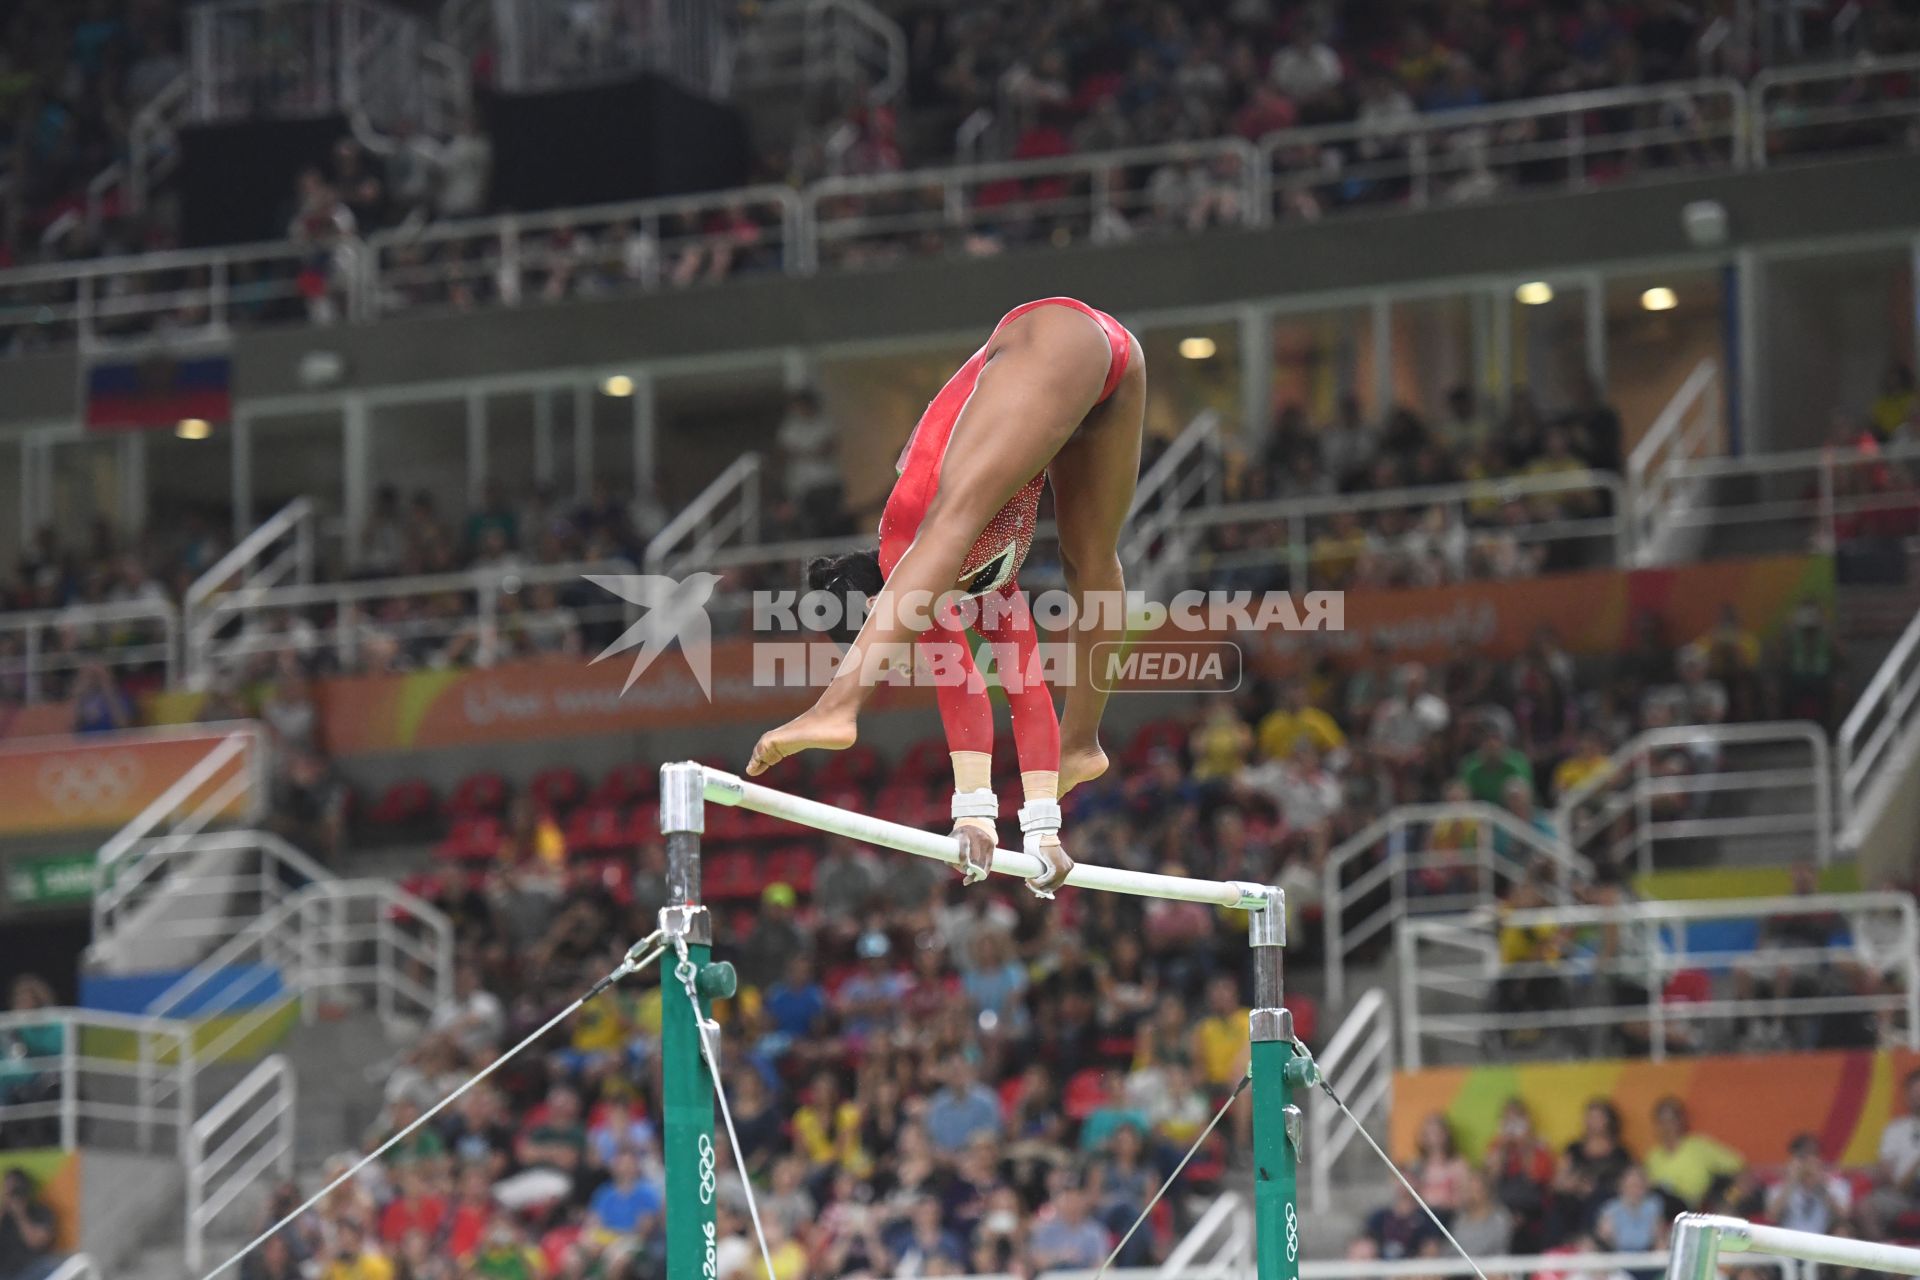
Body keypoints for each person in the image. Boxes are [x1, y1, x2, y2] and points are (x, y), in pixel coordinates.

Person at [749, 298, 1148, 898]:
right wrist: (1033, 827)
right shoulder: (983, 582)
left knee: (952, 524)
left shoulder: (906, 555)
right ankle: (1080, 743)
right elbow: (1022, 687)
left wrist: (971, 809)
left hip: (1052, 334)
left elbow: (958, 686)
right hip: (1112, 357)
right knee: (1090, 561)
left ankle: (836, 705)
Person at [1644, 1097, 1743, 1209]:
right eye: (1662, 1121)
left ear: (1681, 1120)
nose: (1667, 1126)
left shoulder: (1699, 1146)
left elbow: (1741, 1170)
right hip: (1665, 1213)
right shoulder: (1653, 1156)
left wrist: (1729, 1201)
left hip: (1695, 1209)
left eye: (1671, 1119)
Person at [1862, 1068, 1920, 1237]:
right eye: (1915, 1093)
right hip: (1902, 1195)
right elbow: (1887, 1170)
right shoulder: (1895, 1129)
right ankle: (1884, 1258)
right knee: (1866, 1207)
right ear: (1907, 1096)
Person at [1767, 1134, 1853, 1234]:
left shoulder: (1835, 1183)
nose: (1808, 1162)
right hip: (1789, 1238)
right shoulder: (1780, 1186)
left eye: (1813, 1155)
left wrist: (1821, 1185)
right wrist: (1791, 1181)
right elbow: (1771, 1216)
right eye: (1803, 1157)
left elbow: (1843, 1215)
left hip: (1822, 1239)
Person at [0, 1169, 57, 1280]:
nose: (13, 1194)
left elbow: (35, 1242)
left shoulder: (41, 1211)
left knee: (50, 1267)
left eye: (16, 1190)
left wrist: (20, 1215)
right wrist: (4, 1206)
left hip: (33, 1268)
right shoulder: (3, 1214)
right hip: (5, 1271)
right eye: (9, 1190)